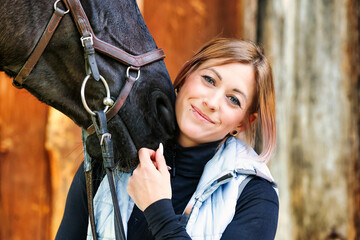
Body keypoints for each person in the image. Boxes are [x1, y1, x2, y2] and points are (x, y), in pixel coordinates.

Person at [56, 38, 279, 240]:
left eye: (233, 99)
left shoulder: (255, 197)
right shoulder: (111, 158)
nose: (212, 102)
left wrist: (157, 209)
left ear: (243, 123)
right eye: (209, 80)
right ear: (185, 77)